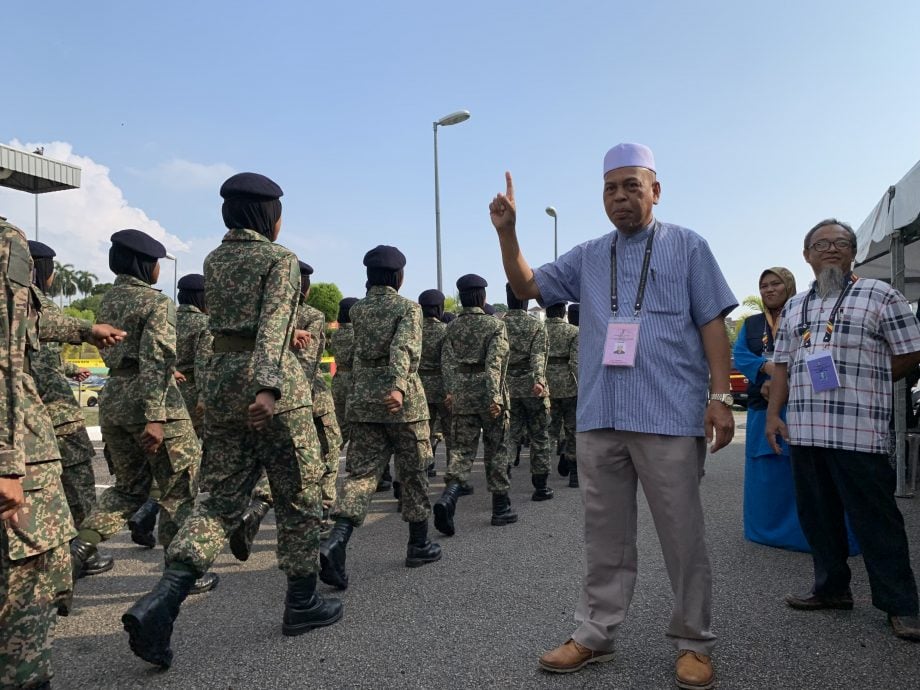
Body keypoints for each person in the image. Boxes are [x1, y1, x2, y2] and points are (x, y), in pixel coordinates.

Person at [490, 143, 737, 689]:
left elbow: (713, 325)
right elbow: (529, 287)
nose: (620, 197)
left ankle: (694, 640)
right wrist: (508, 233)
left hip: (668, 416)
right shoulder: (588, 254)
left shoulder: (689, 247)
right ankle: (595, 633)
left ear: (655, 189)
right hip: (600, 415)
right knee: (604, 535)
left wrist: (720, 397)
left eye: (631, 185)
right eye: (610, 188)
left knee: (683, 536)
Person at [122, 173, 342, 669]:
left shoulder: (214, 260)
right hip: (271, 389)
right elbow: (274, 326)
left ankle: (162, 601)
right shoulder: (278, 260)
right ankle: (302, 602)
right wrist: (268, 385)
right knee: (300, 496)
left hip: (219, 385)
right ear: (269, 216)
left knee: (217, 500)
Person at [766, 219, 920, 641]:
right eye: (821, 243)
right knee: (818, 517)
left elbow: (911, 351)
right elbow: (782, 365)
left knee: (877, 520)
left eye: (840, 243)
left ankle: (902, 606)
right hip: (806, 429)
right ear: (807, 255)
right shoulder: (795, 306)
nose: (830, 249)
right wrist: (773, 415)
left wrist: (870, 380)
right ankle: (832, 589)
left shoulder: (881, 295)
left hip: (859, 431)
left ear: (853, 253)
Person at [1, 216, 124, 689]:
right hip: (24, 436)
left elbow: (29, 321)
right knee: (25, 594)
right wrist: (6, 460)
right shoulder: (3, 242)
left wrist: (84, 329)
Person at [69, 229, 218, 595]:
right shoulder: (155, 302)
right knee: (177, 490)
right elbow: (155, 358)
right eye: (154, 264)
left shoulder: (107, 301)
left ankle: (78, 549)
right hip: (155, 402)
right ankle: (180, 572)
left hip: (115, 398)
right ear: (145, 265)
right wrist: (156, 415)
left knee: (127, 489)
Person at [319, 246, 441, 590]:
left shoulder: (357, 310)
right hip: (401, 404)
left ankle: (336, 541)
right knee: (414, 471)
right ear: (398, 277)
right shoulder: (407, 309)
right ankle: (418, 544)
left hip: (363, 400)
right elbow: (404, 347)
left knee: (361, 475)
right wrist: (399, 386)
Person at [28, 240, 115, 578]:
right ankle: (82, 551)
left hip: (29, 407)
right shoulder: (35, 303)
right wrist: (87, 330)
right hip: (53, 410)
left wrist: (68, 369)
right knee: (77, 477)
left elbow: (40, 354)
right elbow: (44, 331)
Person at [434, 274, 517, 536]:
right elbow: (494, 363)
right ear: (482, 297)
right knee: (497, 449)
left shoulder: (452, 327)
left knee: (462, 450)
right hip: (487, 395)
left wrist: (450, 391)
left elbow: (446, 363)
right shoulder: (494, 326)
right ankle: (500, 508)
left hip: (462, 393)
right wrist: (494, 396)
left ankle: (449, 497)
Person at [503, 283, 554, 500]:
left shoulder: (499, 324)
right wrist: (540, 381)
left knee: (510, 435)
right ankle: (540, 486)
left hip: (507, 388)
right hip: (532, 387)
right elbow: (538, 357)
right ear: (525, 300)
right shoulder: (534, 326)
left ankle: (502, 478)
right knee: (539, 436)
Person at [545, 301, 579, 487]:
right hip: (568, 386)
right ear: (564, 311)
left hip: (545, 387)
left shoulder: (539, 329)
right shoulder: (573, 332)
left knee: (548, 430)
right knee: (572, 429)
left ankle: (542, 473)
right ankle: (574, 472)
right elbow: (575, 363)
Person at [418, 289, 451, 477]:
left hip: (420, 387)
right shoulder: (446, 331)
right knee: (451, 433)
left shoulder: (414, 330)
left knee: (423, 432)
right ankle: (454, 474)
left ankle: (425, 467)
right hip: (443, 386)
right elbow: (449, 362)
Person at [174, 273, 212, 436]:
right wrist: (204, 398)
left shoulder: (165, 319)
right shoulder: (205, 323)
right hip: (191, 395)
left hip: (162, 391)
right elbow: (203, 363)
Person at [330, 297, 358, 453]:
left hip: (339, 379)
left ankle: (331, 455)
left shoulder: (336, 334)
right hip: (354, 381)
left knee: (340, 424)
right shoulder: (357, 334)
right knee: (357, 426)